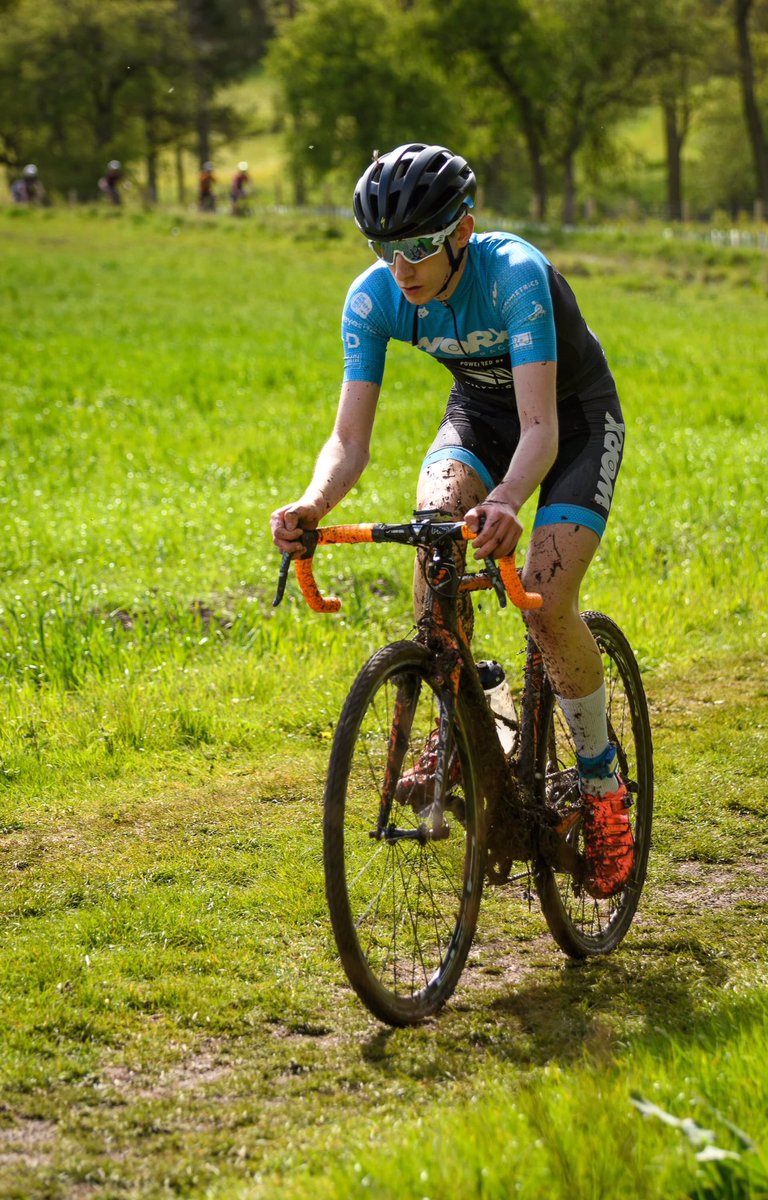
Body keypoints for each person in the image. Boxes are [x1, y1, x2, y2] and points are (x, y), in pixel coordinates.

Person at [270, 142, 633, 899]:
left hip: (568, 421)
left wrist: (504, 501)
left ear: (462, 229)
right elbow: (349, 439)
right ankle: (457, 717)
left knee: (544, 595)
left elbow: (541, 430)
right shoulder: (373, 299)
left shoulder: (513, 274)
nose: (401, 266)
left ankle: (602, 788)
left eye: (418, 247)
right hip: (478, 416)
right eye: (384, 248)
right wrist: (313, 503)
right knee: (434, 525)